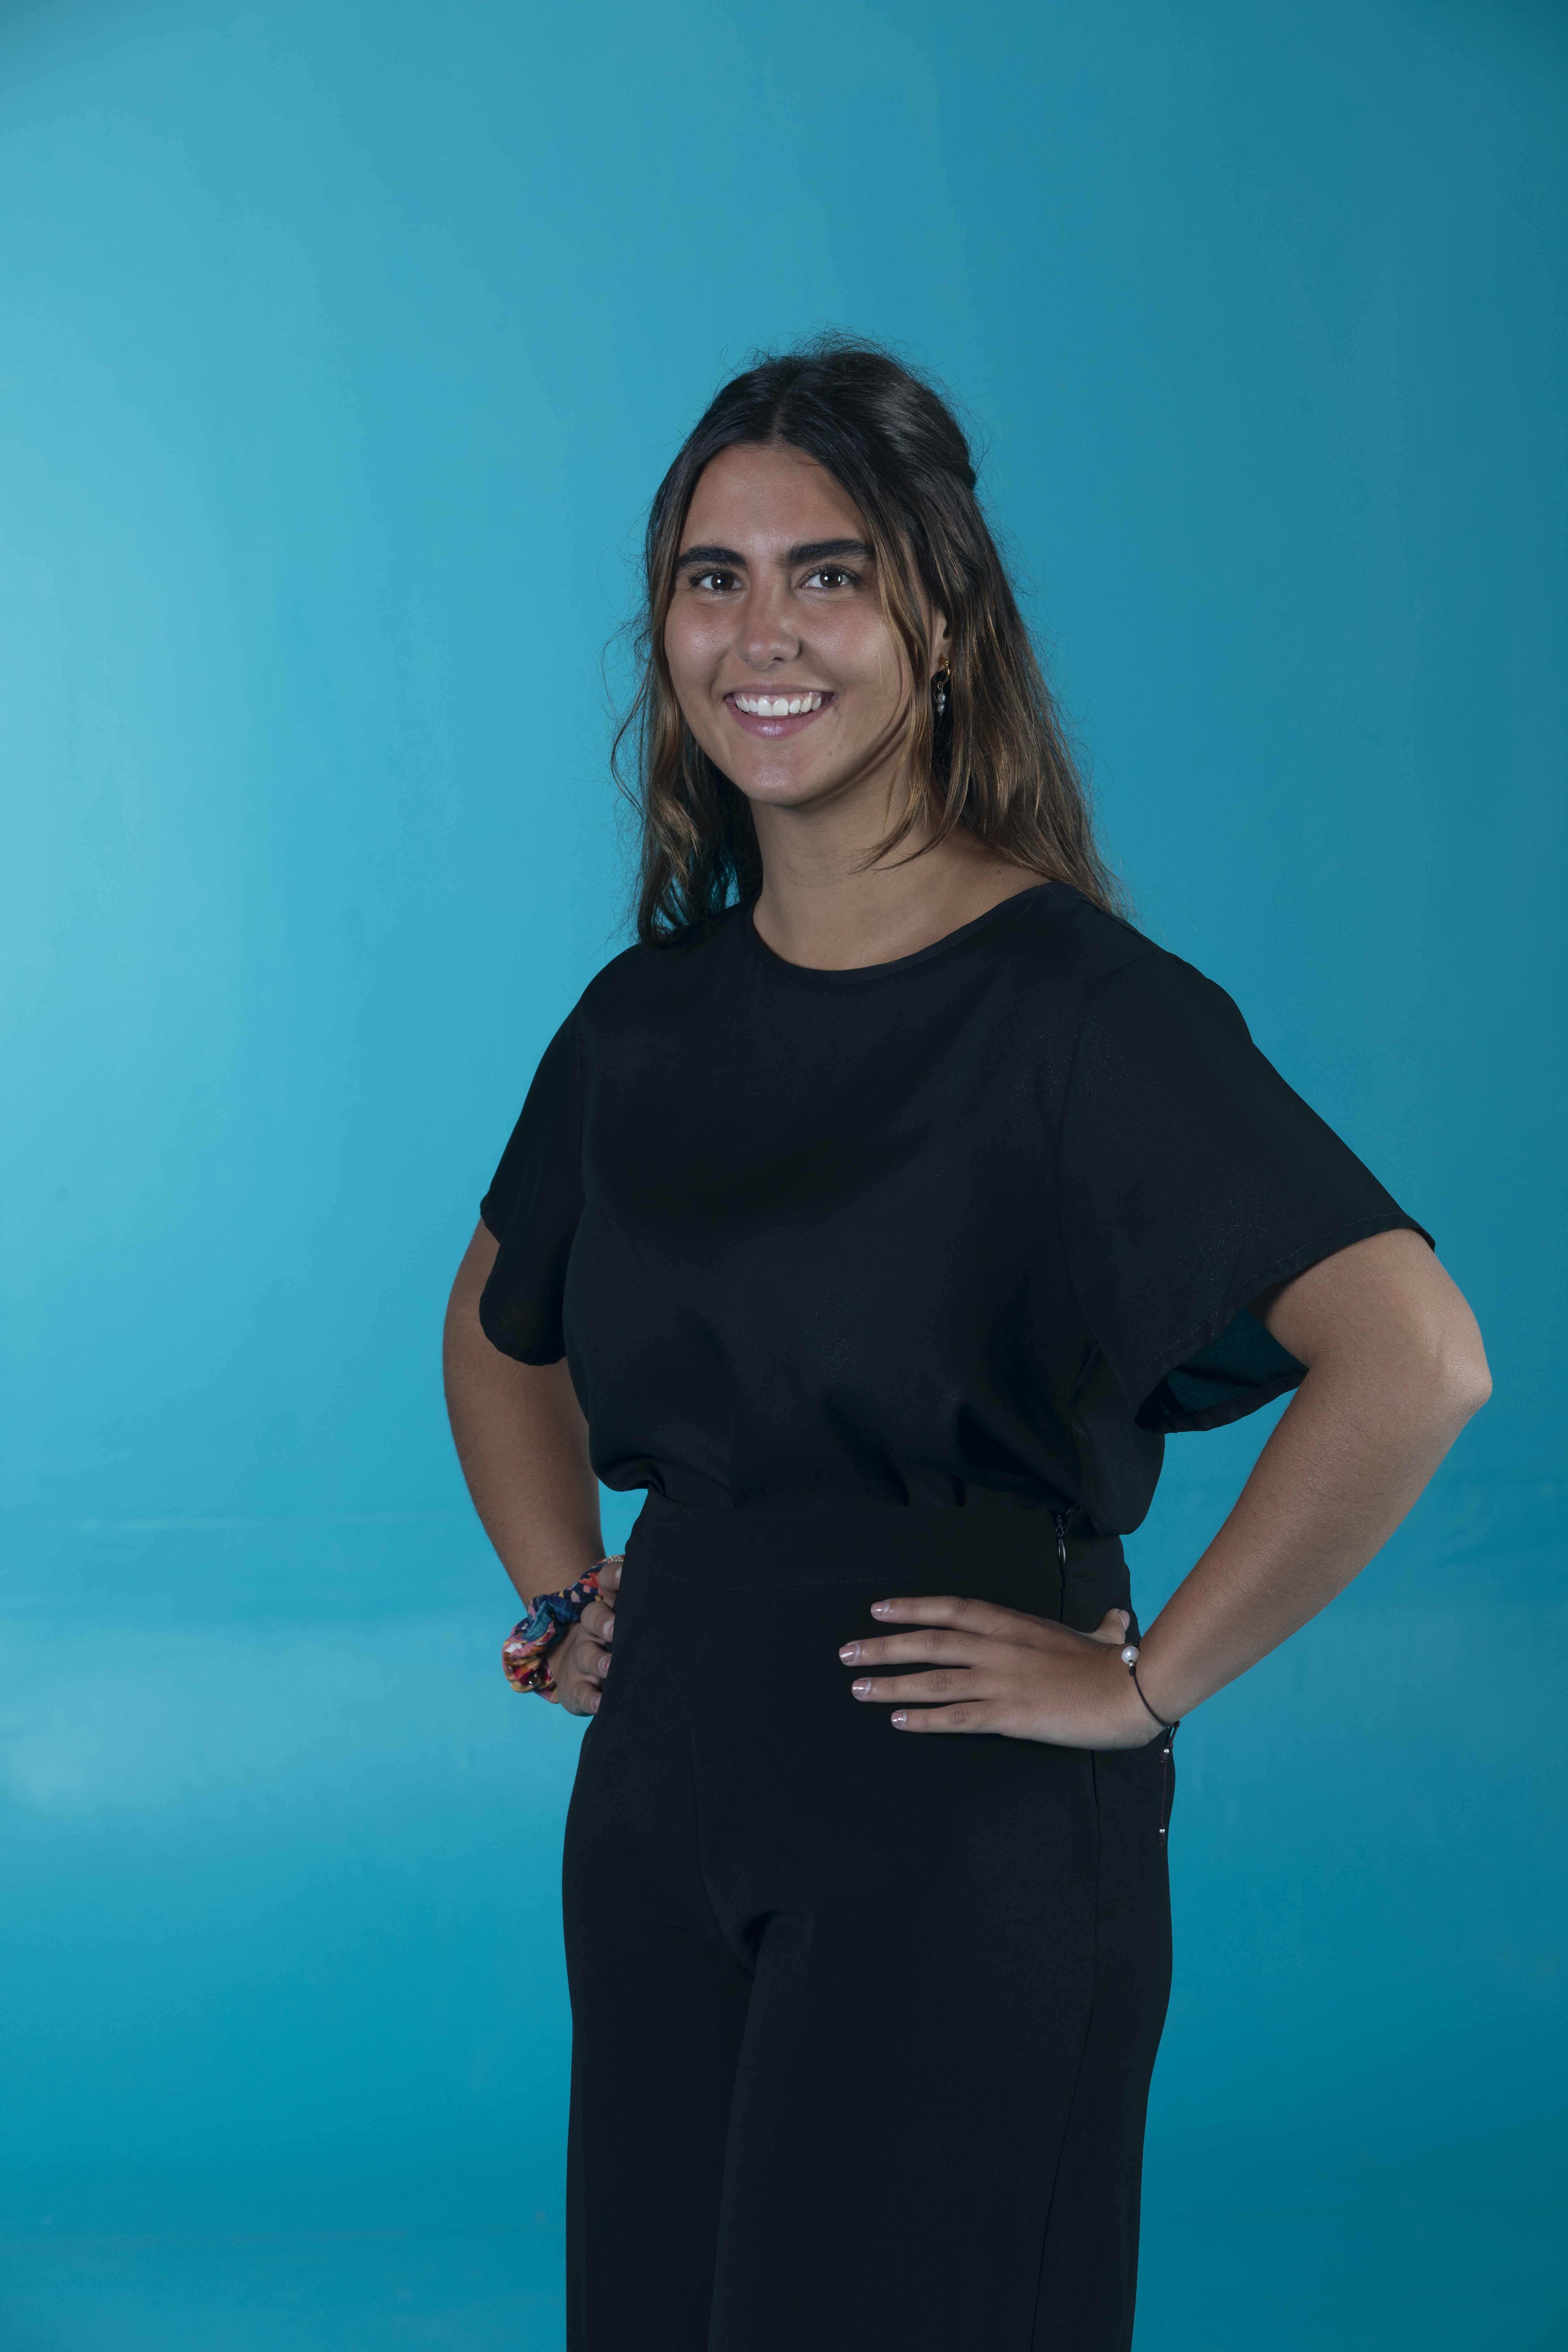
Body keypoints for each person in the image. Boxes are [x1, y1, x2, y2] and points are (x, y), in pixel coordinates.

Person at [442, 337, 1490, 2352]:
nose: (762, 632)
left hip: (952, 1825)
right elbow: (500, 1342)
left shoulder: (1082, 1016)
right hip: (658, 1818)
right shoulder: (641, 1025)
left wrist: (1151, 1683)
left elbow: (1415, 1352)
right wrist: (561, 1595)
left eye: (827, 574)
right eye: (713, 577)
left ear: (942, 623)